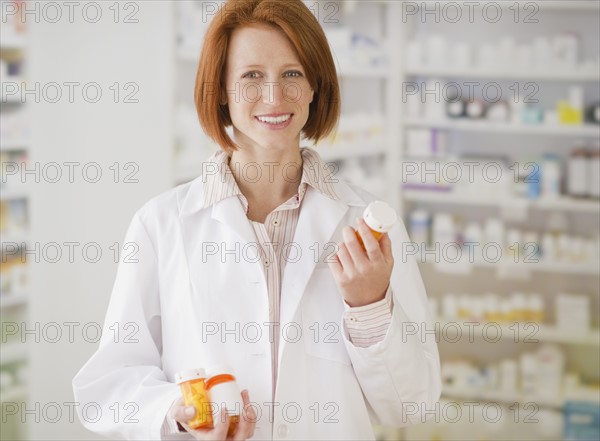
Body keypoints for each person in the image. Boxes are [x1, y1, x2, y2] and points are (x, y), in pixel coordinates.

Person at [72, 1, 441, 440]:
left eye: (292, 74)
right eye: (251, 76)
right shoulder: (162, 225)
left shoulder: (367, 226)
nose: (274, 96)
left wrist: (370, 306)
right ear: (222, 91)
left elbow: (409, 403)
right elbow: (107, 386)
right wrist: (178, 410)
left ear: (314, 88)